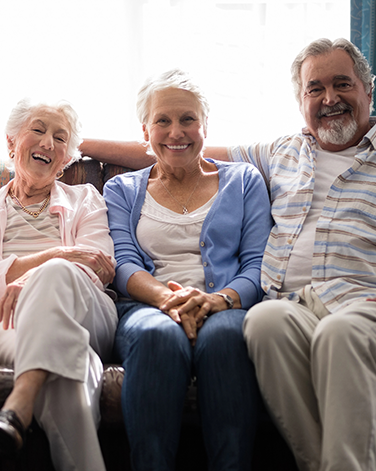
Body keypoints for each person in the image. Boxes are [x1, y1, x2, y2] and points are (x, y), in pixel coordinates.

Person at [82, 38, 376, 471]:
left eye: (342, 84)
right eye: (315, 89)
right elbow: (177, 150)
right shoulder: (281, 153)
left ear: (368, 89)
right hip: (290, 304)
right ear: (300, 100)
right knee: (262, 322)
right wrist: (65, 140)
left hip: (369, 303)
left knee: (336, 336)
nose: (329, 99)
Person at [101, 69, 272, 470]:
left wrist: (217, 299)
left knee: (227, 337)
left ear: (205, 126)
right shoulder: (121, 190)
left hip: (227, 304)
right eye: (163, 120)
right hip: (146, 307)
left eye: (187, 119)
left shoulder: (243, 180)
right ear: (146, 131)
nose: (176, 131)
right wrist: (168, 299)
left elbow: (258, 262)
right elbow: (122, 264)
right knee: (158, 335)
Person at [0, 99, 118, 471]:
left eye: (60, 138)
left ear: (66, 160)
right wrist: (61, 253)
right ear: (12, 143)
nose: (47, 143)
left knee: (57, 275)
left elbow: (98, 267)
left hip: (87, 313)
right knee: (69, 372)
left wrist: (32, 276)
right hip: (7, 317)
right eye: (38, 130)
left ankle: (19, 403)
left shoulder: (86, 199)